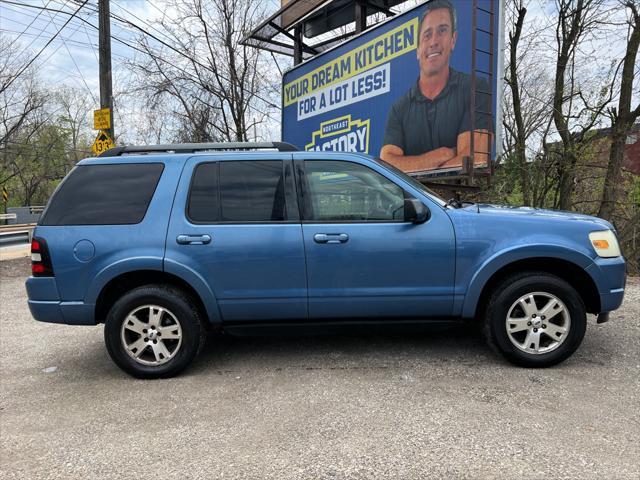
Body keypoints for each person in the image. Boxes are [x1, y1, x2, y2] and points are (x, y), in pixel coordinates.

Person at [380, 0, 491, 172]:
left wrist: (410, 166)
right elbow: (386, 165)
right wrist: (440, 155)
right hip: (412, 199)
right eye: (427, 35)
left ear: (453, 39)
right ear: (417, 49)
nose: (433, 41)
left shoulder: (474, 88)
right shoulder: (399, 109)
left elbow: (476, 158)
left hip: (463, 195)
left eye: (442, 31)